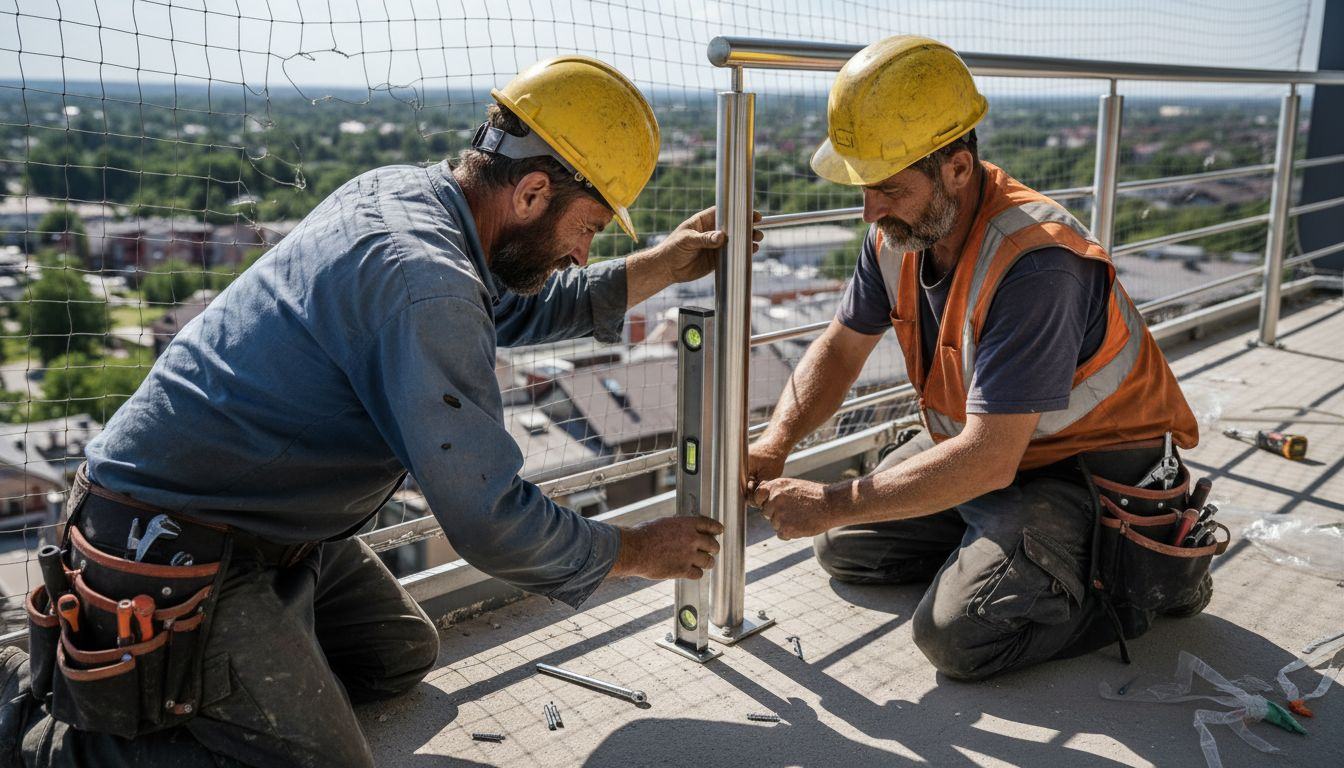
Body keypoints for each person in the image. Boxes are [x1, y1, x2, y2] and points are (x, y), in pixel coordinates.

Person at [1, 55, 757, 766]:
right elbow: (489, 518)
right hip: (171, 544)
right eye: (588, 229)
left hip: (275, 529)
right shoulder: (424, 276)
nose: (583, 254)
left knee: (395, 655)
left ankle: (236, 669)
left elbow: (504, 308)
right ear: (530, 193)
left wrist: (661, 264)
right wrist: (635, 549)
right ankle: (25, 708)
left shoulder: (411, 198)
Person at [747, 36, 1201, 681]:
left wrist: (834, 499)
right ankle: (1001, 549)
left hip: (1083, 480)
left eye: (889, 189)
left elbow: (991, 458)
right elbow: (843, 347)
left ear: (957, 168)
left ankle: (1141, 588)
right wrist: (775, 441)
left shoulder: (1037, 261)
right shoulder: (898, 233)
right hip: (989, 457)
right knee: (846, 546)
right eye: (864, 187)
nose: (870, 209)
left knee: (957, 637)